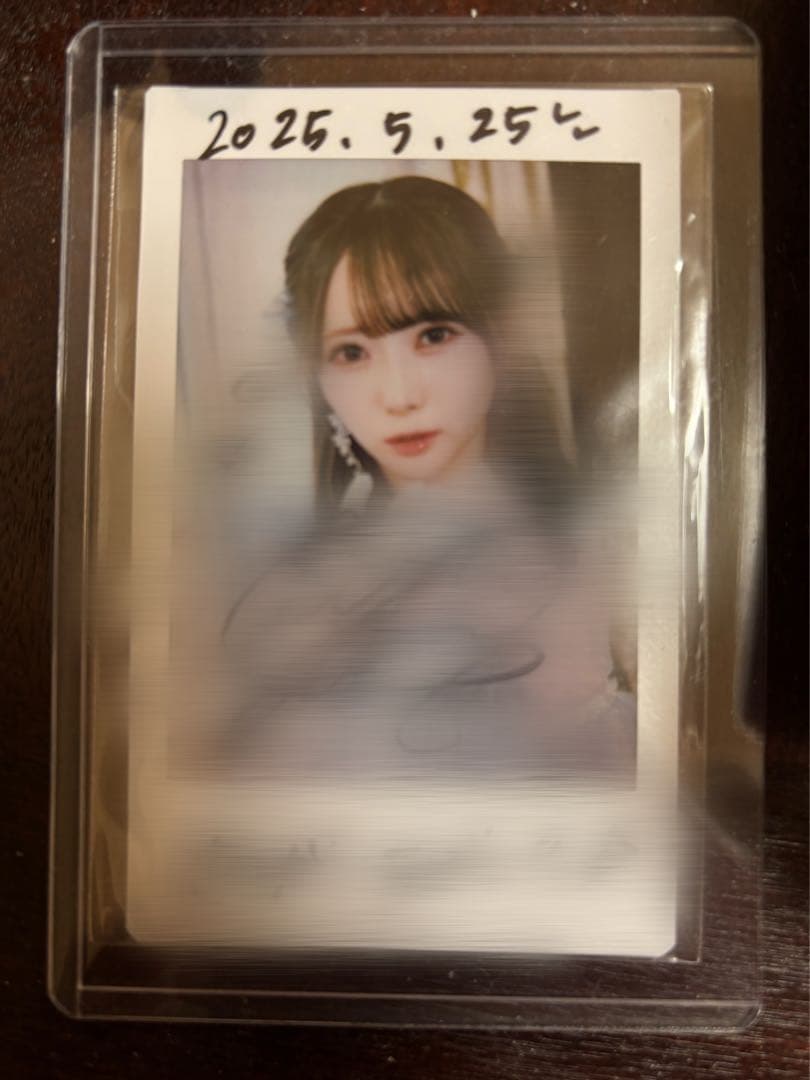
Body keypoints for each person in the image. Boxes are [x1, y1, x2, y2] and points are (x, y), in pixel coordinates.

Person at [222, 176, 635, 778]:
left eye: (433, 335)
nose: (398, 395)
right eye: (352, 353)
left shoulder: (604, 544)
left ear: (499, 334)